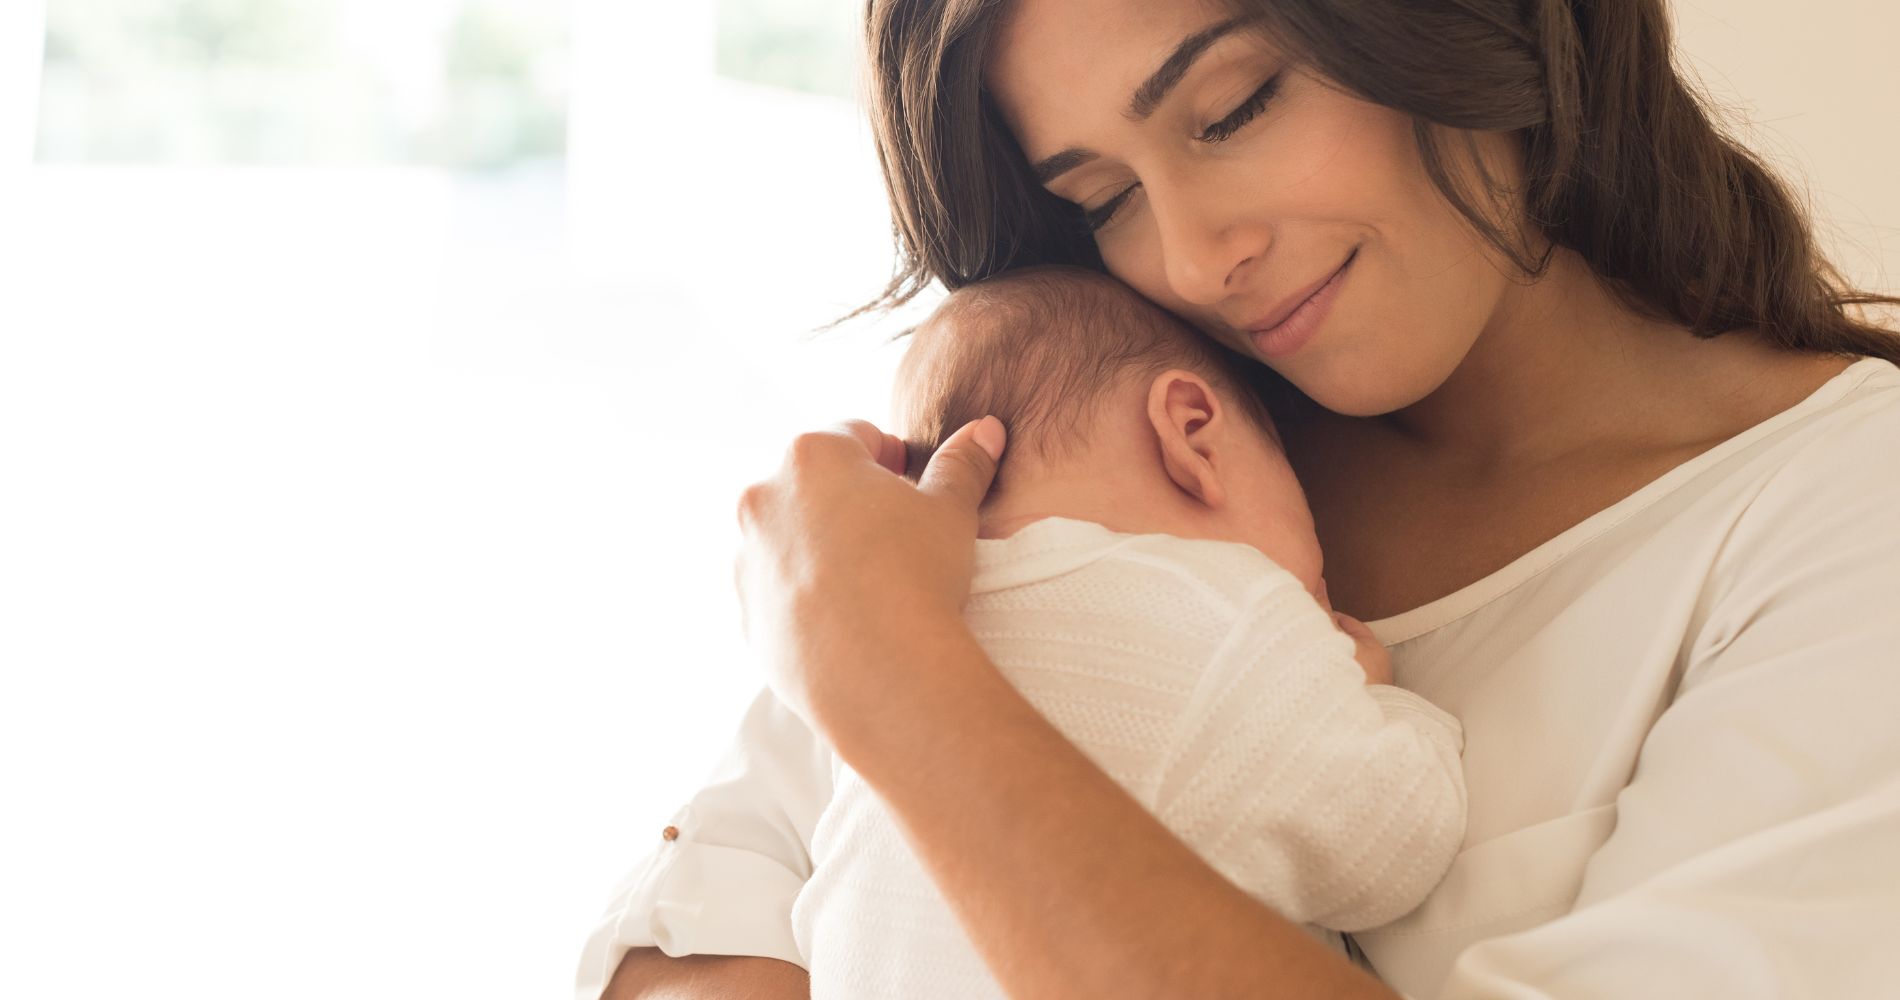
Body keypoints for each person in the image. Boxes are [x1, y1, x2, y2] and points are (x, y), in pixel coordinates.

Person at [593, 0, 1900, 996]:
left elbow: (850, 728)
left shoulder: (1840, 515)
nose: (1192, 258)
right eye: (1104, 198)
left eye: (1232, 110)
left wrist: (895, 683)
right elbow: (686, 940)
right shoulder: (1117, 461)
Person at [744, 265, 1471, 997]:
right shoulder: (1224, 613)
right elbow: (1394, 847)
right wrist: (1375, 698)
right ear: (1193, 433)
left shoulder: (885, 652)